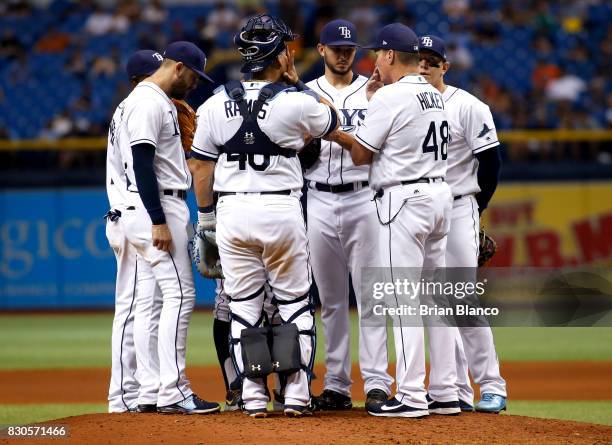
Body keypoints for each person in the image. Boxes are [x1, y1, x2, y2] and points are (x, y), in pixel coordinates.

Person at [189, 14, 339, 418]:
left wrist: (206, 220)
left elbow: (200, 168)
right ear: (278, 55)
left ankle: (253, 397)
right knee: (294, 306)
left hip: (232, 210)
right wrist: (296, 81)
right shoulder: (295, 101)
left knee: (243, 309)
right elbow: (332, 119)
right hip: (281, 210)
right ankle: (296, 393)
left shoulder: (215, 102)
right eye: (286, 49)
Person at [347, 23, 459, 418]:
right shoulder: (434, 92)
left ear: (391, 56)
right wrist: (378, 97)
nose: (375, 59)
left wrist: (330, 128)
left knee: (403, 299)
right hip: (440, 196)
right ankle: (445, 391)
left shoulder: (390, 97)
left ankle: (411, 395)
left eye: (379, 53)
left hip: (405, 199)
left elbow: (361, 155)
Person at [111, 41, 219, 414]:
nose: (194, 83)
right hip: (156, 206)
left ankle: (150, 390)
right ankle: (174, 391)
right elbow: (142, 164)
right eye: (193, 75)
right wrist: (158, 219)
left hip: (145, 207)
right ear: (177, 68)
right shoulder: (149, 101)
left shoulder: (142, 101)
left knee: (150, 303)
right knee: (180, 296)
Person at [304, 19, 393, 412]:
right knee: (331, 301)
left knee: (373, 297)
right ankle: (337, 385)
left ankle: (376, 384)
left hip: (363, 198)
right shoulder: (305, 95)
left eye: (350, 48)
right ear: (321, 50)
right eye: (336, 48)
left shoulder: (375, 93)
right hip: (318, 200)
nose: (344, 53)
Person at [419, 34, 506, 413]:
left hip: (457, 205)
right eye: (419, 60)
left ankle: (492, 384)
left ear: (445, 67)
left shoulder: (468, 106)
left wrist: (477, 209)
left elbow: (491, 163)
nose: (424, 67)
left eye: (432, 61)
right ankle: (454, 389)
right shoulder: (405, 103)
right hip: (420, 209)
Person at [106, 49, 162, 414]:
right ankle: (125, 395)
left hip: (127, 211)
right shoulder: (140, 104)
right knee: (134, 307)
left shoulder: (126, 108)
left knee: (139, 306)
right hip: (131, 211)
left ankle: (135, 391)